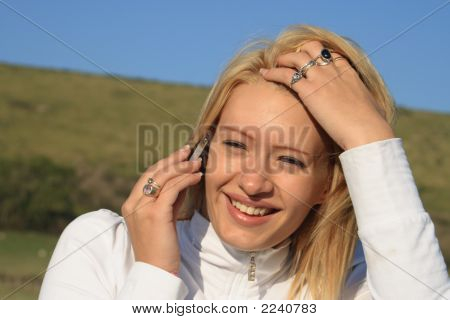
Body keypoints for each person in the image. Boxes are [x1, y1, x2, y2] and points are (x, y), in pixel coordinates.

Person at [38, 24, 449, 300]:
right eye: (235, 145)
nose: (253, 183)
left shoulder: (361, 284)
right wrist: (155, 276)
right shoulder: (102, 247)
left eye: (289, 159)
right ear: (204, 148)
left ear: (328, 183)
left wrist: (368, 134)